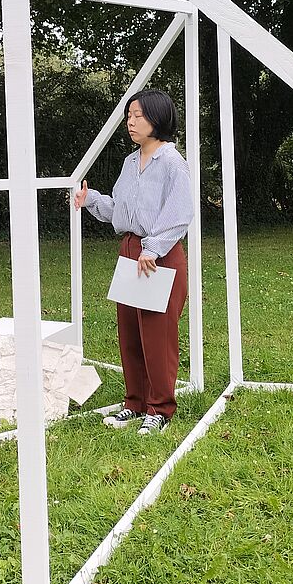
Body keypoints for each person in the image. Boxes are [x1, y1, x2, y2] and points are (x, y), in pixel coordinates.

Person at [73, 89, 193, 435]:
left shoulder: (172, 162)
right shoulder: (130, 162)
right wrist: (91, 199)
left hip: (159, 256)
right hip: (130, 251)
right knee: (129, 330)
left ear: (158, 118)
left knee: (157, 333)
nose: (131, 121)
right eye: (129, 115)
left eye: (138, 115)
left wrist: (152, 248)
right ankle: (135, 403)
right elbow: (121, 211)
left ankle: (160, 409)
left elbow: (180, 212)